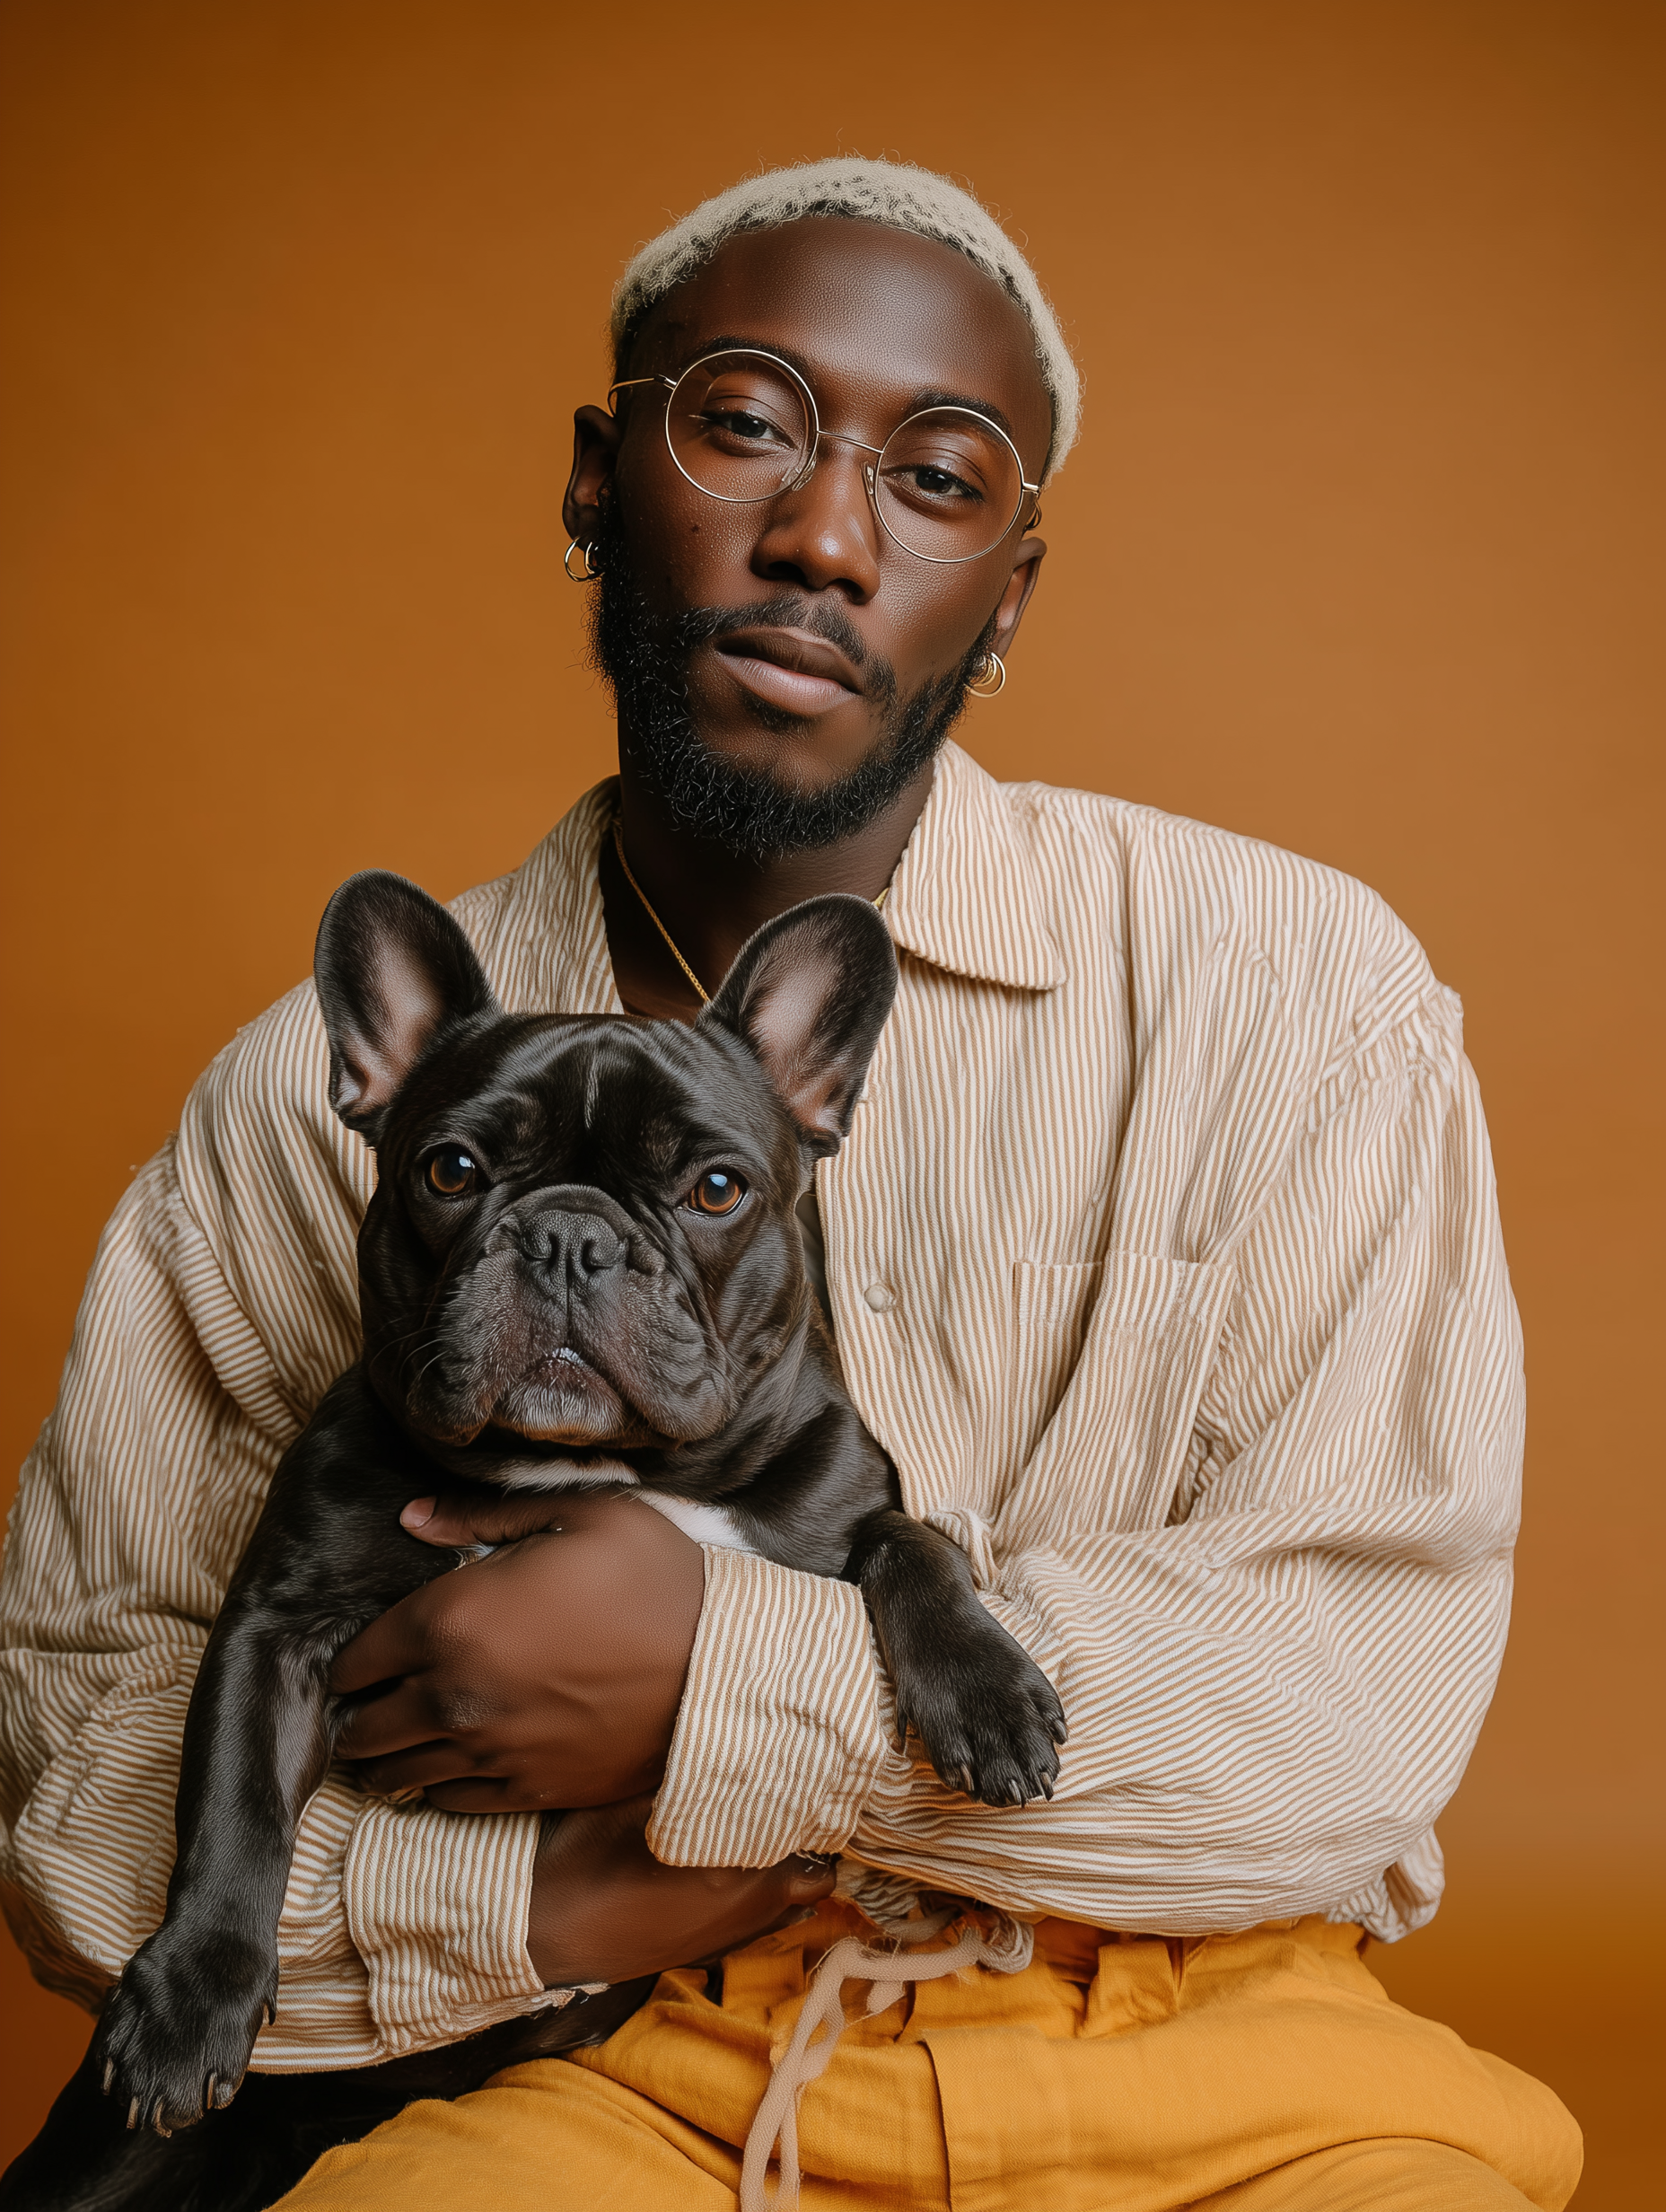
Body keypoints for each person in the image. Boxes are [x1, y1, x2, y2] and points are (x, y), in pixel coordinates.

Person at [0, 158, 1581, 2210]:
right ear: (596, 480)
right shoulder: (281, 1112)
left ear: (1007, 592)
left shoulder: (1296, 994)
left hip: (1214, 2039)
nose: (825, 533)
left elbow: (1354, 1704)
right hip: (601, 2060)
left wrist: (728, 1692)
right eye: (743, 424)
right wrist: (555, 1900)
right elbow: (70, 1761)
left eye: (936, 478)